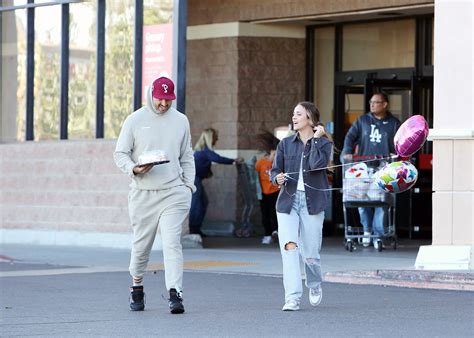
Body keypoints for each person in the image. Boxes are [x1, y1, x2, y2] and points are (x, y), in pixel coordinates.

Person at [114, 76, 195, 314]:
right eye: (161, 99)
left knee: (172, 243)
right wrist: (133, 169)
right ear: (152, 95)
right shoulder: (135, 120)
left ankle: (175, 293)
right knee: (141, 247)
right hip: (143, 193)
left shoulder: (181, 121)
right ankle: (136, 285)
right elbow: (120, 153)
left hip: (174, 193)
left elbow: (187, 156)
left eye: (169, 100)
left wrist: (188, 186)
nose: (164, 104)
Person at [270, 101, 333, 311]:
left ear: (310, 119)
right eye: (293, 114)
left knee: (311, 252)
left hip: (313, 202)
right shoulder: (285, 143)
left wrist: (315, 140)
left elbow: (317, 165)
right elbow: (275, 169)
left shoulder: (324, 144)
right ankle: (292, 298)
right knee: (289, 248)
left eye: (298, 114)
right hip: (288, 201)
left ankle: (314, 284)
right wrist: (276, 177)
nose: (294, 117)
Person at [340, 93, 401, 250]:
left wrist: (398, 156)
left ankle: (378, 235)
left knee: (381, 202)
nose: (372, 105)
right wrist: (347, 151)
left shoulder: (394, 124)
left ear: (385, 104)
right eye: (371, 102)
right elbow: (350, 137)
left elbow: (400, 143)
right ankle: (367, 231)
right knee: (362, 200)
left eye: (376, 102)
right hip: (364, 168)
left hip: (384, 168)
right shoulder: (362, 121)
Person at [189, 128, 242, 236]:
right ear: (210, 138)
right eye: (215, 137)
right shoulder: (205, 151)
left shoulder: (203, 150)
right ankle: (193, 229)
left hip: (196, 178)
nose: (217, 139)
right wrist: (233, 161)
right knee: (197, 204)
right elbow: (217, 158)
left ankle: (196, 228)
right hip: (194, 179)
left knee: (202, 202)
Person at [255, 131, 280, 245]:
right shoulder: (260, 163)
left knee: (275, 213)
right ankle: (267, 234)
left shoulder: (278, 164)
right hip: (264, 193)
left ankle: (276, 231)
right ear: (270, 152)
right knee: (265, 215)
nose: (275, 157)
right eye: (274, 155)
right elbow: (255, 179)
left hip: (275, 191)